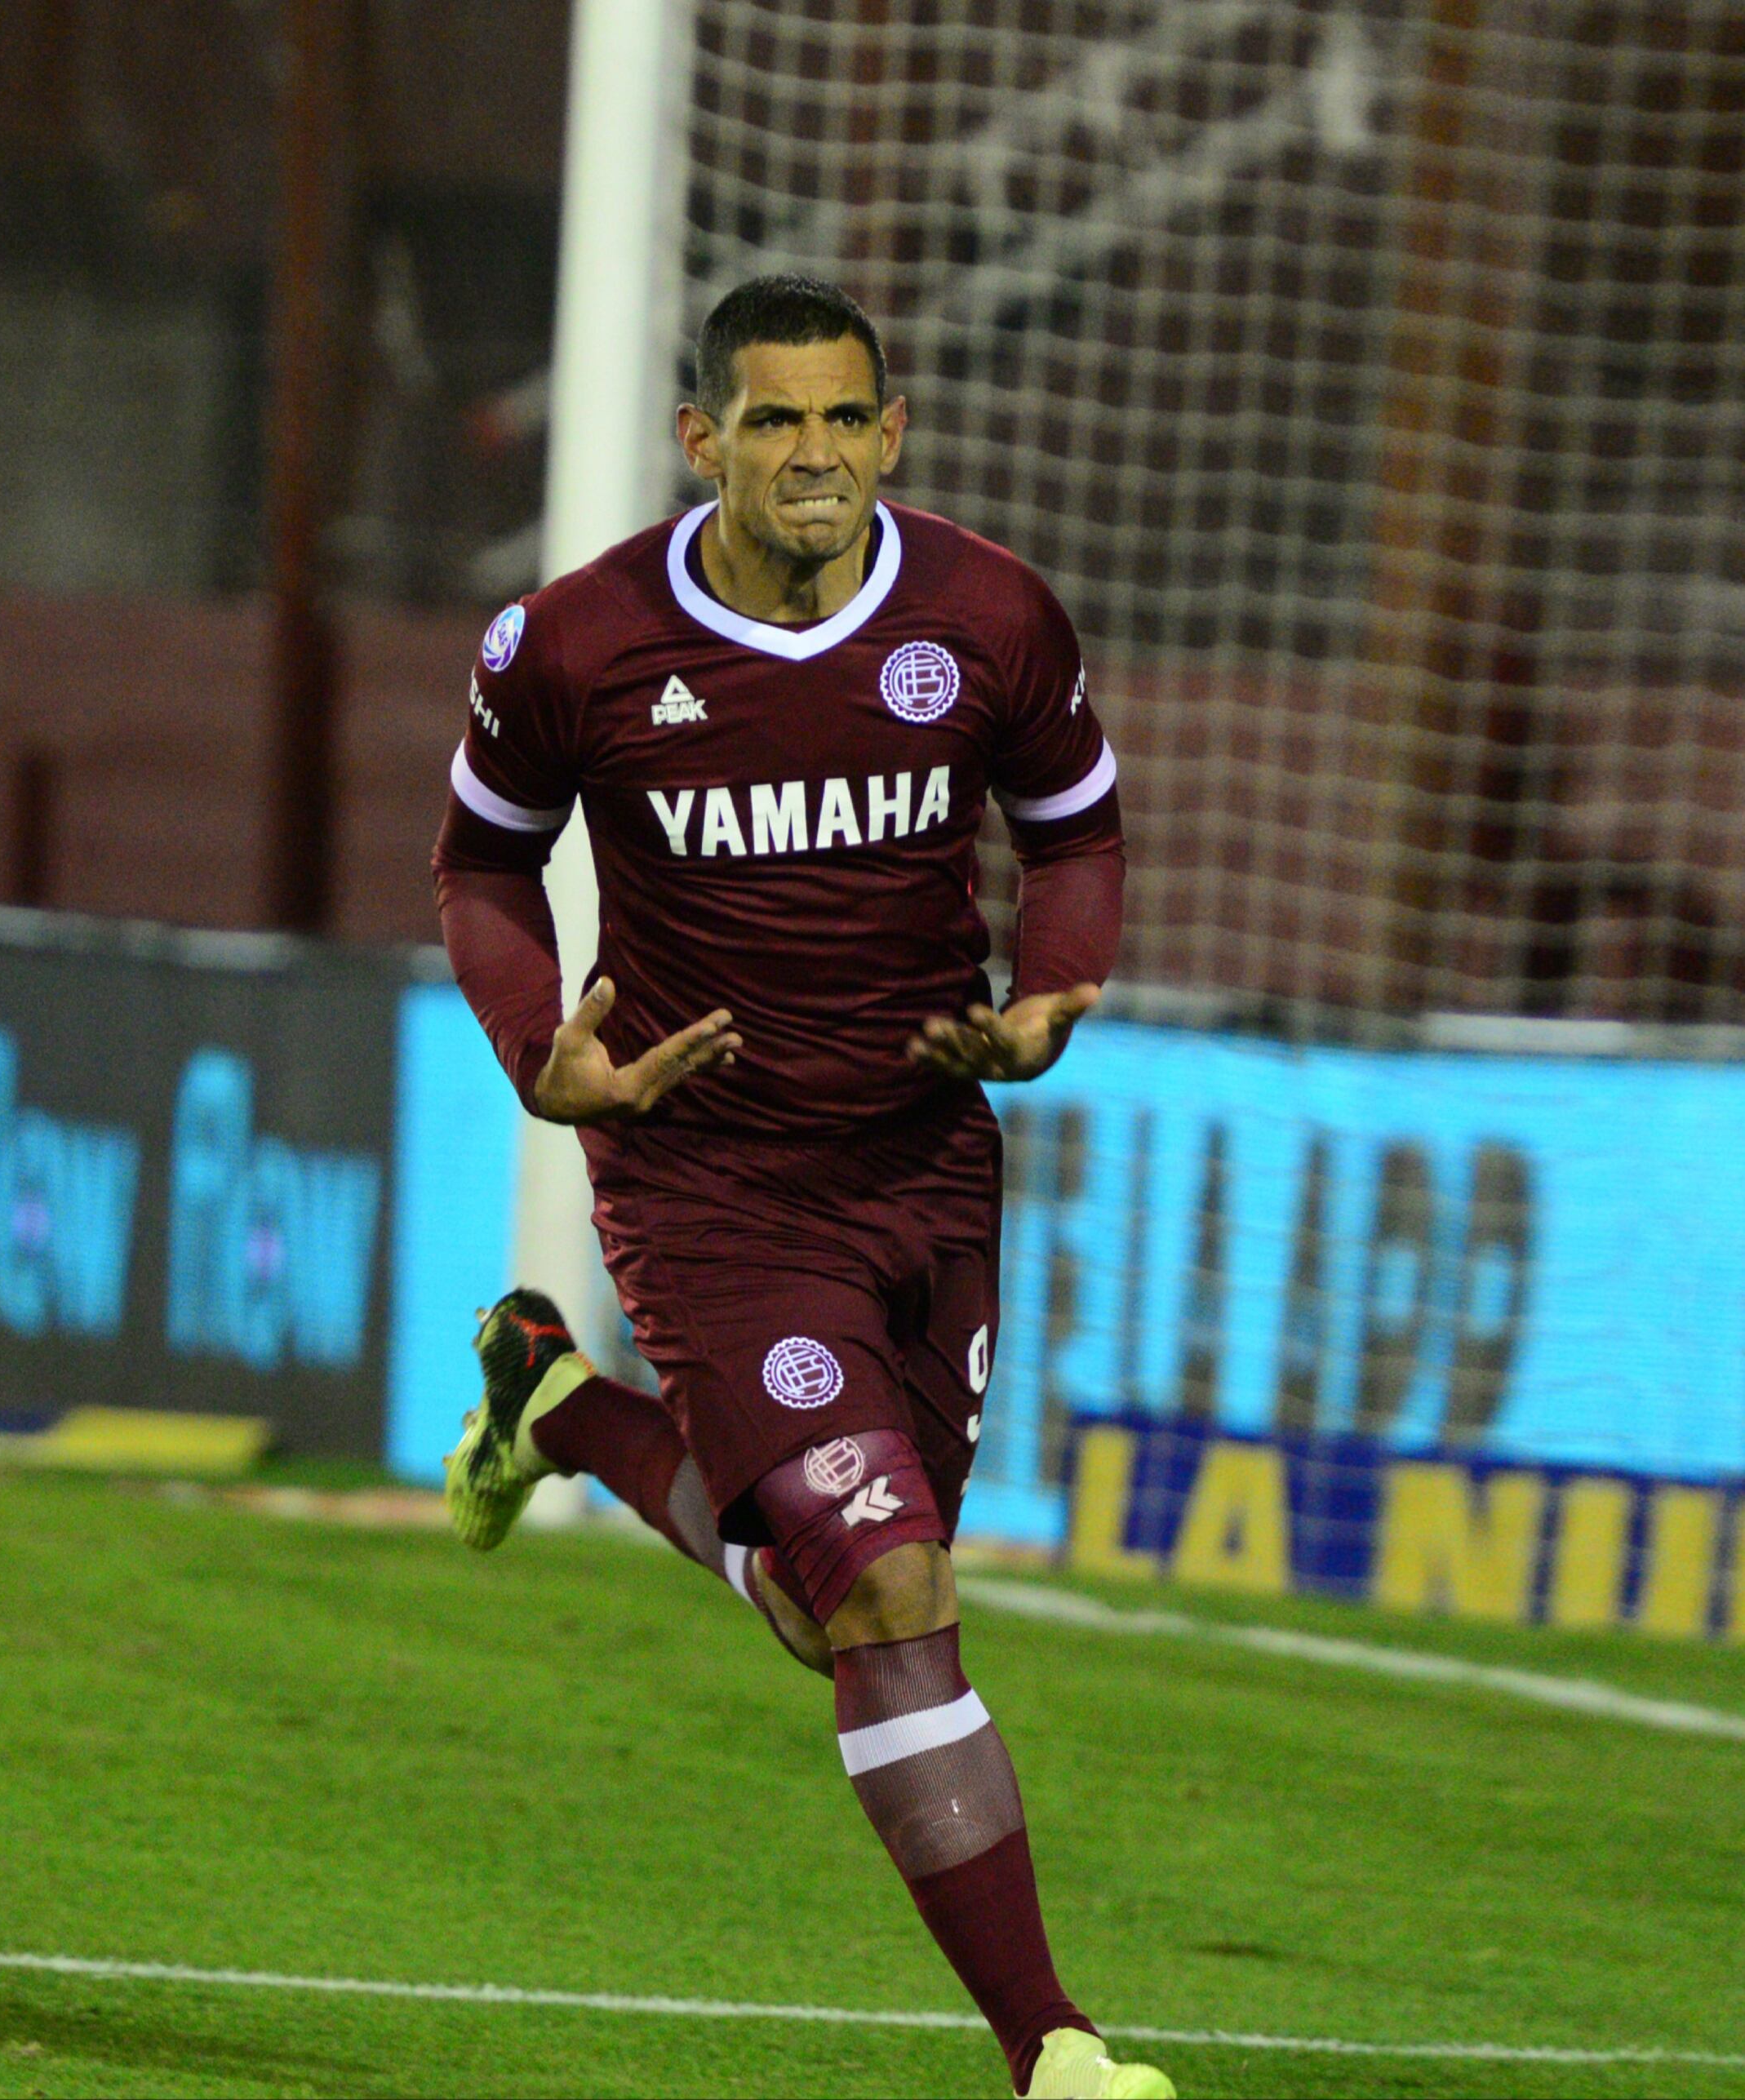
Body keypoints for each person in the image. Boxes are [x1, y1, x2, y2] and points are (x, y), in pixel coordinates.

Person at [432, 275, 1168, 2100]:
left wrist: (1052, 1002)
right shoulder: (574, 644)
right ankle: (1051, 2048)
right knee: (889, 1589)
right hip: (709, 1179)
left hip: (924, 1165)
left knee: (817, 1602)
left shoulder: (985, 613)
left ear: (892, 432)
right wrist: (542, 1048)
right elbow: (480, 872)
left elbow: (1073, 831)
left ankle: (555, 1406)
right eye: (774, 422)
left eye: (846, 419)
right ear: (705, 441)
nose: (815, 456)